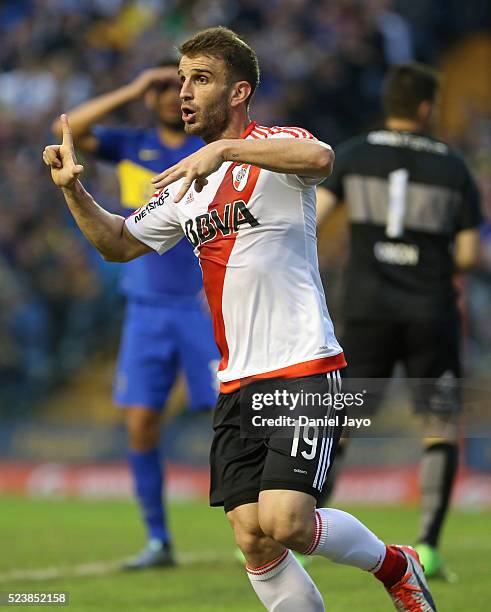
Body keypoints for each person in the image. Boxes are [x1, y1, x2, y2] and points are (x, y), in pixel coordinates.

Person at [44, 27, 437, 611]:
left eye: (199, 79)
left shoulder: (277, 146)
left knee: (287, 520)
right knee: (253, 539)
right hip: (237, 380)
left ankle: (396, 565)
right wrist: (74, 192)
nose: (183, 91)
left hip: (303, 364)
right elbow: (119, 243)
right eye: (181, 80)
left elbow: (322, 158)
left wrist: (224, 150)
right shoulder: (184, 185)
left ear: (238, 92)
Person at [51, 60, 219, 570]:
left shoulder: (209, 152)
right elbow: (66, 133)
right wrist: (130, 86)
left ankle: (258, 528)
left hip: (202, 308)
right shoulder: (131, 146)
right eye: (163, 86)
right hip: (145, 310)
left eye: (182, 85)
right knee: (142, 423)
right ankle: (158, 541)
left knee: (232, 419)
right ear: (150, 96)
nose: (173, 94)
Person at [317, 63, 482, 580]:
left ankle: (301, 530)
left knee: (339, 424)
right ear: (428, 108)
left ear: (388, 103)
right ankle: (428, 548)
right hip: (430, 311)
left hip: (365, 308)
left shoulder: (353, 152)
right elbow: (469, 252)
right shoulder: (455, 167)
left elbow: (313, 218)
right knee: (438, 424)